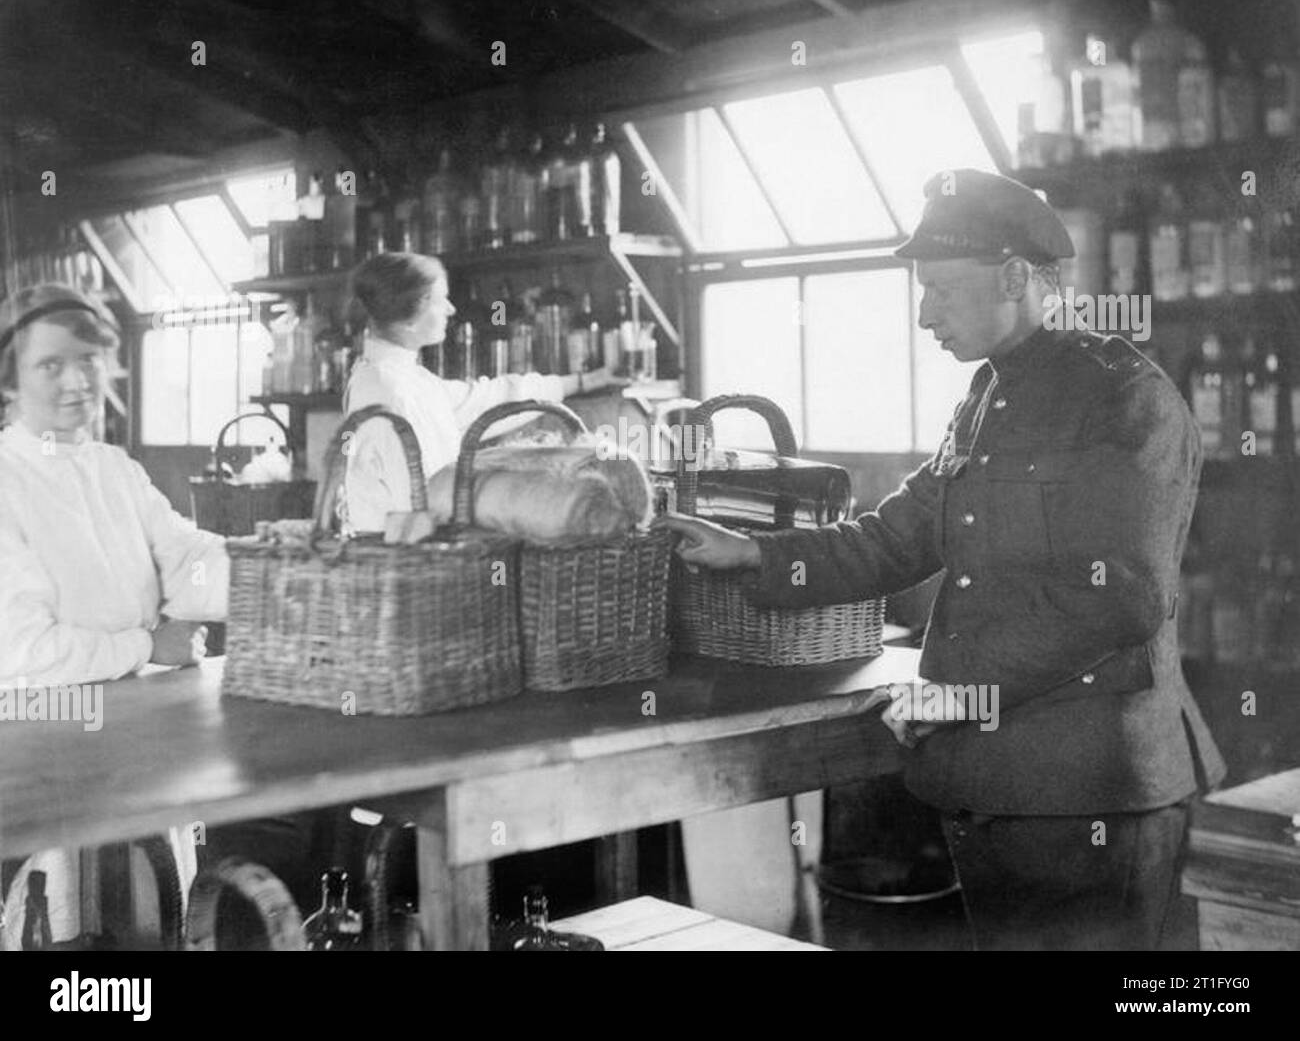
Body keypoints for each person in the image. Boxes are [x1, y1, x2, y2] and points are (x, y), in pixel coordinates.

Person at [658, 169, 1225, 951]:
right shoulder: (986, 397)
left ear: (1018, 277)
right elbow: (898, 537)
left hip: (1090, 793)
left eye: (943, 291)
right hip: (999, 787)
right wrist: (754, 551)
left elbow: (1114, 598)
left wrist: (958, 695)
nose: (925, 316)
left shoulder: (1122, 396)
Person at [0, 283, 228, 939]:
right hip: (41, 756)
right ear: (9, 380)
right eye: (51, 365)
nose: (77, 382)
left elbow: (184, 563)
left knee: (157, 925)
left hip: (138, 751)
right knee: (73, 939)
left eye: (90, 360)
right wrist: (145, 646)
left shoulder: (113, 469)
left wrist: (286, 565)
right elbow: (23, 654)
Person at [342, 252, 608, 531]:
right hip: (406, 563)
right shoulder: (392, 391)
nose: (451, 309)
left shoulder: (406, 379)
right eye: (439, 299)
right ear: (410, 316)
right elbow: (423, 506)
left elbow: (489, 398)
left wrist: (586, 381)